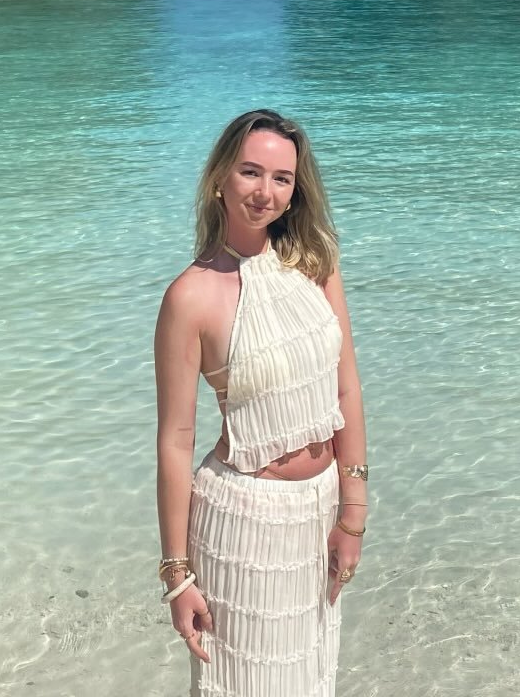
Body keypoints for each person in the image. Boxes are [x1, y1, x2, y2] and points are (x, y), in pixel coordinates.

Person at [154, 109, 368, 697]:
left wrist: (353, 513)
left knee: (310, 681)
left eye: (282, 178)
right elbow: (175, 441)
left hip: (319, 510)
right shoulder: (189, 297)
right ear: (220, 177)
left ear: (296, 189)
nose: (265, 192)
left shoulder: (315, 263)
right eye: (250, 172)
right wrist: (177, 575)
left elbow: (347, 387)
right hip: (243, 521)